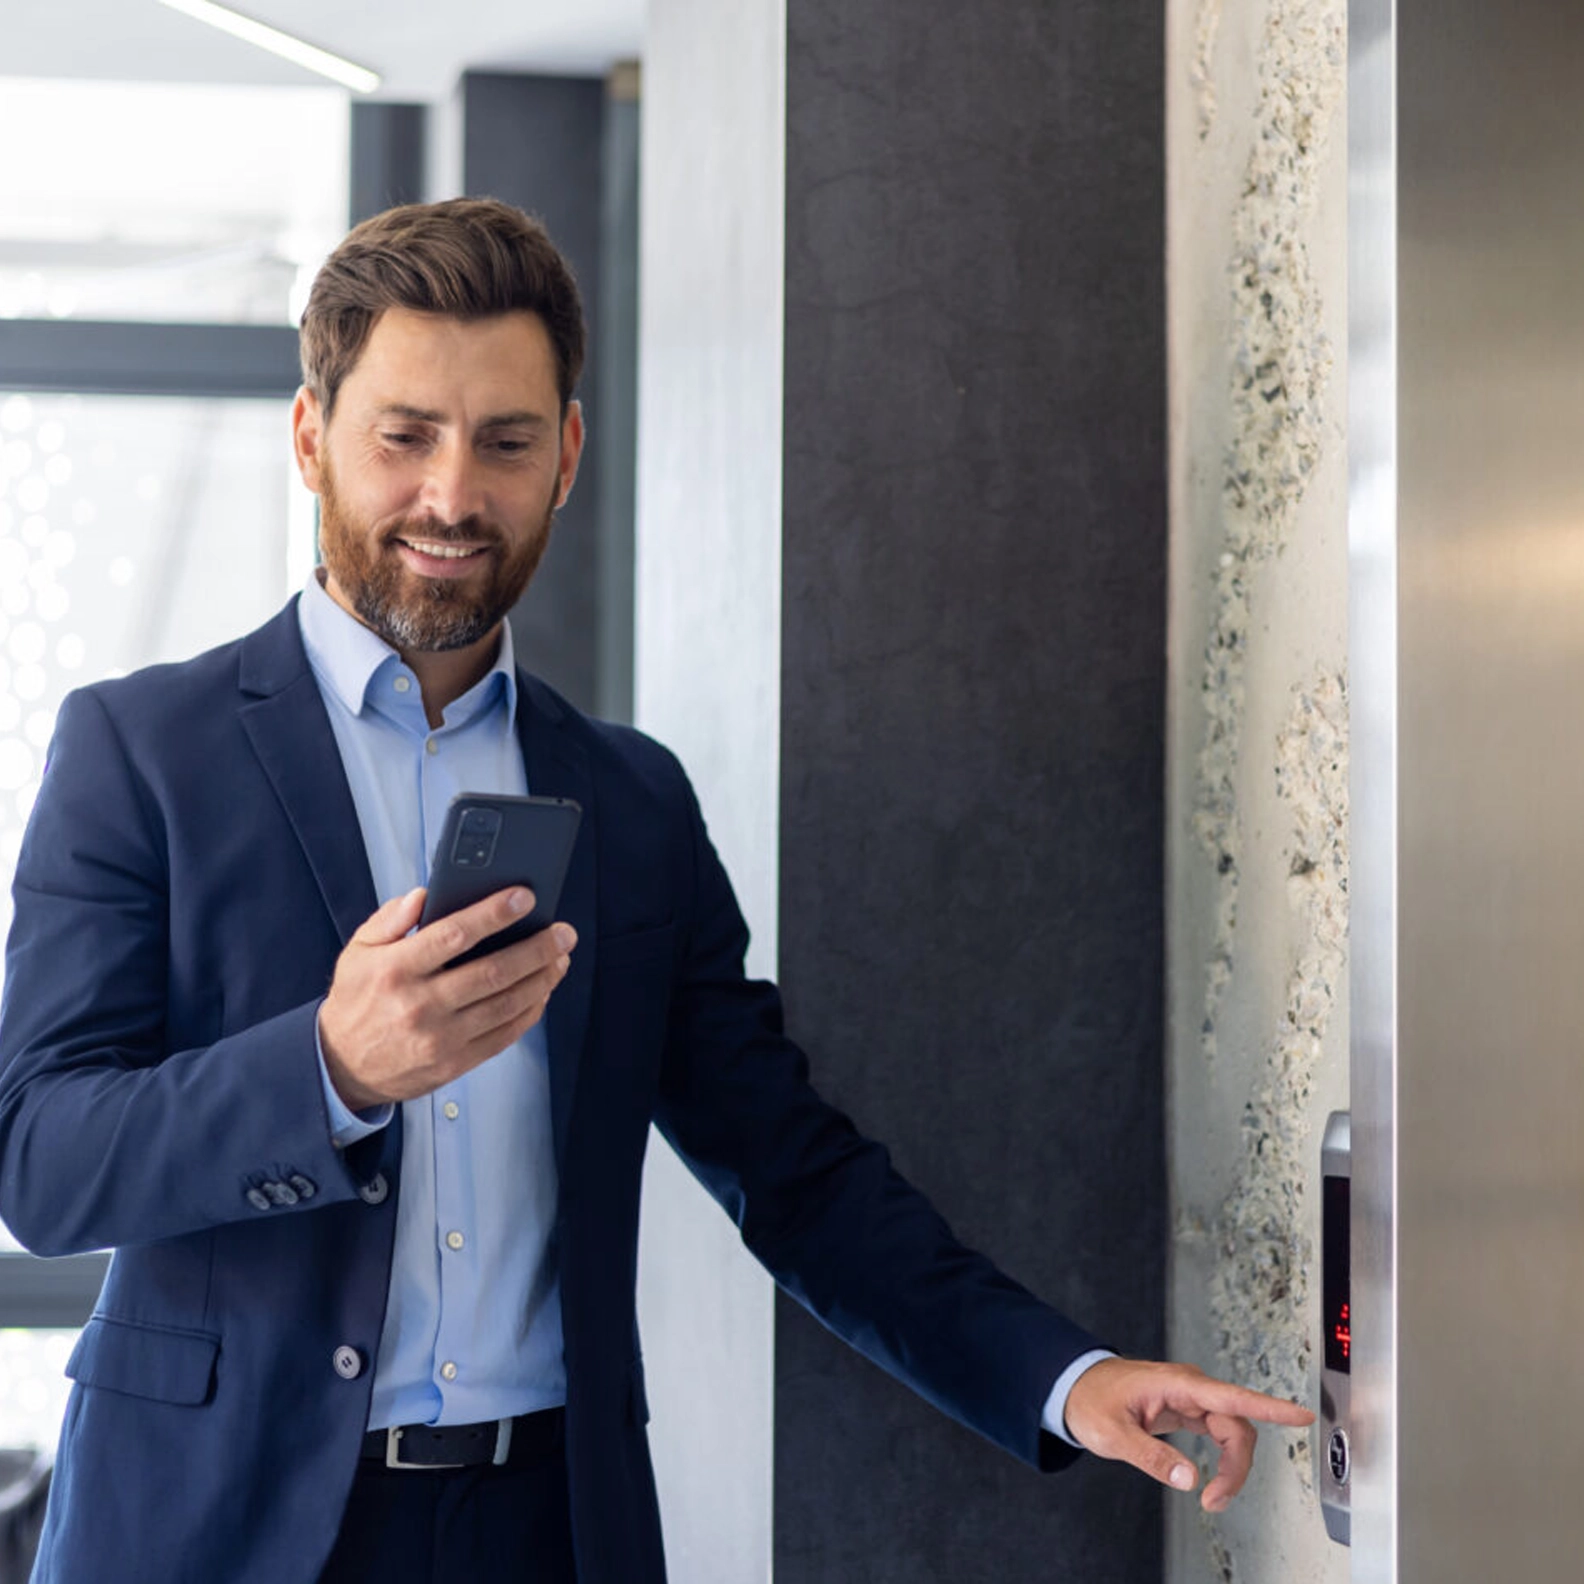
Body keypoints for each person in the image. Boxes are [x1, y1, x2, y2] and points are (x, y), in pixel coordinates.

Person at [0, 199, 1310, 1584]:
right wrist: (330, 1068)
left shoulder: (628, 802)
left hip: (547, 1527)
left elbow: (792, 1169)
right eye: (404, 436)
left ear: (565, 458)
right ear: (310, 436)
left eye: (505, 441)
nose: (453, 495)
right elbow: (41, 1157)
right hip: (210, 1528)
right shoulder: (141, 751)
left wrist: (1065, 1379)